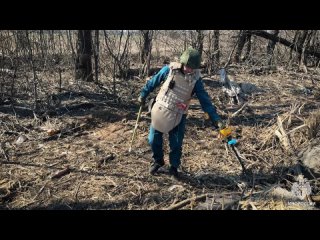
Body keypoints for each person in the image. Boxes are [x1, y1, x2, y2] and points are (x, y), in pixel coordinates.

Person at [138, 47, 225, 178]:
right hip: (161, 109)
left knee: (176, 144)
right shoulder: (169, 70)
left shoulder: (196, 81)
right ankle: (158, 161)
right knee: (152, 139)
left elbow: (205, 101)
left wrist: (215, 119)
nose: (187, 69)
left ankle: (173, 167)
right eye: (186, 65)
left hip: (178, 114)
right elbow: (153, 82)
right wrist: (143, 94)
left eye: (191, 67)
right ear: (182, 62)